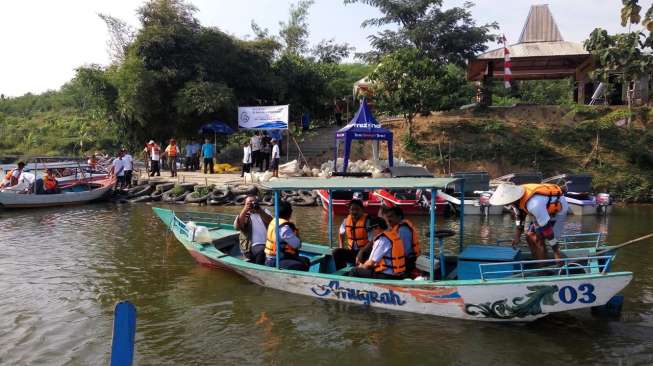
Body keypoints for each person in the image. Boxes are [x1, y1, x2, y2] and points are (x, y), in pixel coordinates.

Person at [489, 183, 569, 262]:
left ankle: (543, 266)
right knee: (529, 236)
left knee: (539, 238)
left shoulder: (533, 205)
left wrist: (556, 251)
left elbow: (547, 230)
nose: (505, 204)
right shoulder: (515, 201)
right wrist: (517, 236)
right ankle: (537, 260)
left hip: (557, 211)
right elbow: (520, 216)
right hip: (541, 209)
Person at [264, 201, 309, 271]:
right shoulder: (284, 228)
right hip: (275, 260)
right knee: (301, 265)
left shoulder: (274, 221)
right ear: (289, 213)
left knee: (306, 260)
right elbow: (297, 244)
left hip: (274, 257)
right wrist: (296, 231)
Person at [332, 199, 372, 270]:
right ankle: (341, 273)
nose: (354, 212)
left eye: (357, 209)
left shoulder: (368, 221)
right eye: (352, 209)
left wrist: (361, 252)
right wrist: (341, 247)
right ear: (349, 210)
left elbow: (372, 240)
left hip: (365, 253)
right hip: (352, 252)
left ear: (362, 210)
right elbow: (341, 233)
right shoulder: (346, 221)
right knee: (337, 252)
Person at [382, 206, 420, 275]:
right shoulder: (395, 228)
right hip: (405, 261)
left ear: (399, 217)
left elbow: (405, 251)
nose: (388, 219)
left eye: (391, 216)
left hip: (407, 262)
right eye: (387, 217)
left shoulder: (402, 230)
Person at [234, 195, 272, 265]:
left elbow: (271, 223)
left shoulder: (265, 211)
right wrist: (245, 210)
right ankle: (259, 269)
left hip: (268, 244)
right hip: (250, 247)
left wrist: (259, 211)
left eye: (254, 202)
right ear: (245, 205)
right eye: (249, 203)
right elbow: (237, 227)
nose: (252, 204)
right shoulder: (244, 215)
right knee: (262, 251)